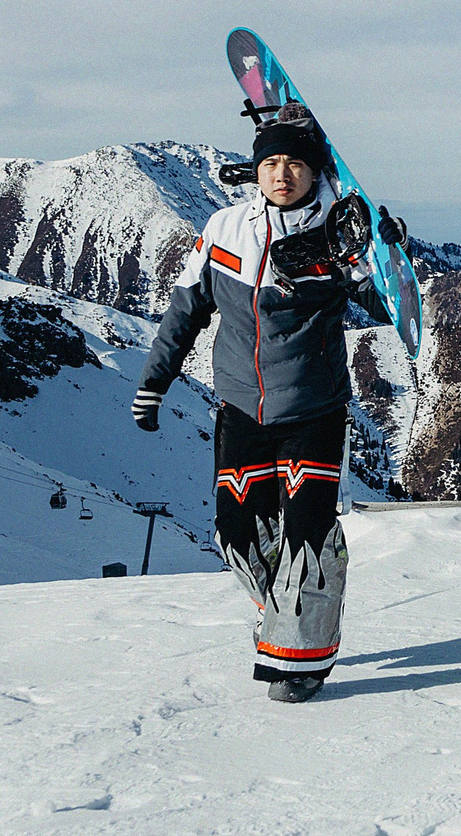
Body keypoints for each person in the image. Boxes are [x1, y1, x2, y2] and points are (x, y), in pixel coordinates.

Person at [132, 103, 405, 703]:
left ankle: (301, 658)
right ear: (256, 171)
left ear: (314, 173)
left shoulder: (341, 234)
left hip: (313, 408)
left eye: (296, 165)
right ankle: (285, 613)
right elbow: (185, 311)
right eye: (272, 163)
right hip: (239, 408)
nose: (283, 174)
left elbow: (390, 307)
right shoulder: (224, 230)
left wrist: (384, 255)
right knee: (236, 529)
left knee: (306, 536)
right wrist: (155, 381)